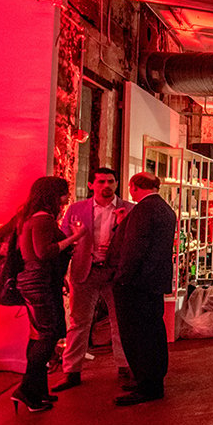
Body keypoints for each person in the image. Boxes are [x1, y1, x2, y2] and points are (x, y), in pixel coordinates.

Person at [0, 177, 86, 412]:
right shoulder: (43, 219)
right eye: (64, 193)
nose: (67, 197)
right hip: (39, 282)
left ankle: (37, 390)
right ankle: (26, 390)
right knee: (47, 335)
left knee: (39, 335)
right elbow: (44, 252)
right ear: (52, 195)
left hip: (36, 281)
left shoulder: (28, 216)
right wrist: (75, 237)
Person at [55, 167, 133, 391]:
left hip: (114, 272)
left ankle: (124, 366)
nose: (106, 186)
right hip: (84, 270)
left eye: (110, 181)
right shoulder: (77, 209)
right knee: (79, 322)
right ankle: (72, 371)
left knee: (120, 321)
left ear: (117, 184)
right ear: (91, 185)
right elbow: (64, 236)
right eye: (100, 182)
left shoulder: (129, 209)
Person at [109, 172, 178, 405]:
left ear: (134, 187)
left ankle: (147, 383)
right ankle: (150, 380)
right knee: (152, 331)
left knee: (138, 335)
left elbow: (134, 248)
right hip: (153, 281)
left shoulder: (143, 210)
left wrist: (122, 277)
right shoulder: (164, 208)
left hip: (137, 283)